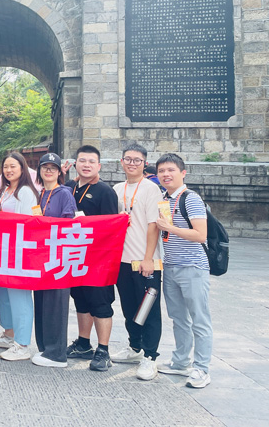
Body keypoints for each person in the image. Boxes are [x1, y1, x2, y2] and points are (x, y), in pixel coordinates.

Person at [155, 153, 213, 389]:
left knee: (199, 319)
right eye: (161, 171)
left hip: (193, 266)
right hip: (170, 266)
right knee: (178, 318)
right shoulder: (163, 198)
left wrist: (170, 227)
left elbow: (201, 235)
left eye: (170, 170)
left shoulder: (191, 198)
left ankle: (201, 369)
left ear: (182, 173)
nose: (166, 175)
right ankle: (180, 362)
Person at [111, 144, 164, 380]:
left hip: (145, 261)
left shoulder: (151, 189)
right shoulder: (117, 188)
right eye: (128, 159)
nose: (132, 163)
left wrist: (148, 258)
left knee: (148, 309)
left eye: (137, 160)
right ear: (121, 162)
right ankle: (135, 347)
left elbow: (153, 225)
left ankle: (150, 357)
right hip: (122, 261)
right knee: (130, 307)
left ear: (145, 163)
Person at [64, 145, 119, 371]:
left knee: (100, 304)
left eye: (91, 161)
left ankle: (103, 350)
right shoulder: (69, 188)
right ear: (75, 163)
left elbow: (110, 227)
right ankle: (84, 343)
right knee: (81, 300)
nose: (86, 165)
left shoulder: (105, 192)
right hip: (75, 256)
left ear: (99, 166)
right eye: (82, 160)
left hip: (98, 258)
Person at [31, 152, 77, 368]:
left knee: (56, 303)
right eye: (44, 167)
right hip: (41, 256)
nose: (48, 171)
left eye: (53, 168)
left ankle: (57, 353)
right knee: (41, 302)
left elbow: (69, 223)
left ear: (59, 172)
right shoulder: (39, 193)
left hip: (59, 255)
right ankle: (44, 347)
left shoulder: (65, 193)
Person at [0, 152, 39, 361]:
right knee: (3, 294)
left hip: (18, 251)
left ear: (22, 168)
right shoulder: (4, 190)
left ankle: (22, 344)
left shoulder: (25, 192)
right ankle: (9, 334)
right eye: (6, 167)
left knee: (19, 297)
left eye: (13, 166)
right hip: (2, 250)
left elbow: (26, 224)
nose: (9, 170)